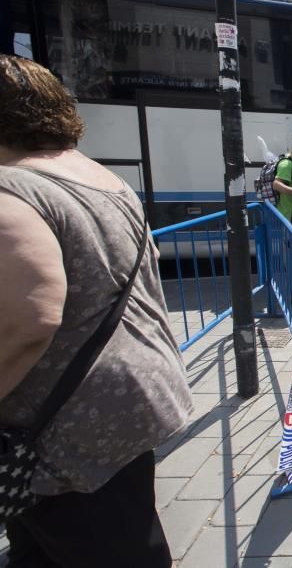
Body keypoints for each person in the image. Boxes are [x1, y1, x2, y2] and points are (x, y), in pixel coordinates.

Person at [0, 55, 193, 566]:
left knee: (108, 546)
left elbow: (29, 319)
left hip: (67, 427)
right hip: (130, 399)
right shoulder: (100, 177)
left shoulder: (11, 186)